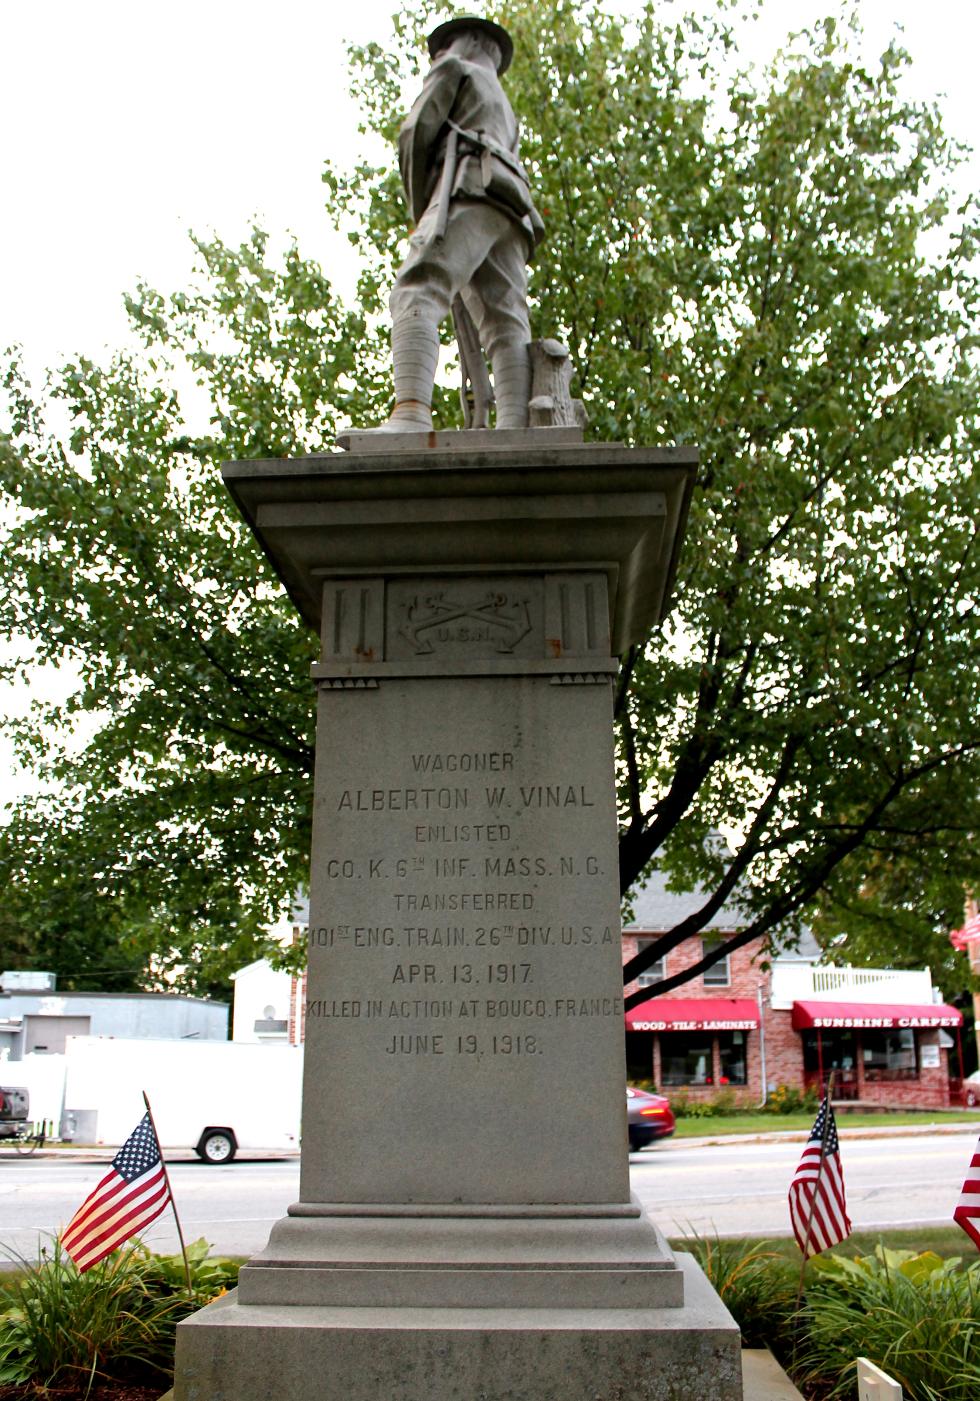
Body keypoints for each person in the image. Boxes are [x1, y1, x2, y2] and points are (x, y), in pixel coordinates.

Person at [371, 14, 544, 433]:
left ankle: (410, 413)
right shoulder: (504, 105)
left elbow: (416, 134)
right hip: (511, 209)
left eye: (446, 45)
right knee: (507, 321)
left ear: (467, 43)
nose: (441, 55)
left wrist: (423, 209)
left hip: (466, 190)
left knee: (418, 287)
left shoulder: (454, 69)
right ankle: (513, 427)